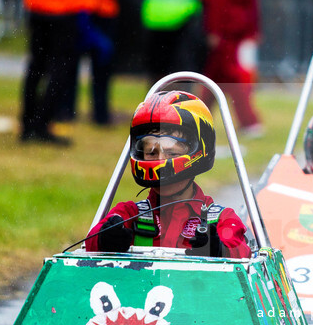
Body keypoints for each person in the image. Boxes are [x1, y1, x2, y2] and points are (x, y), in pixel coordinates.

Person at [86, 91, 251, 258]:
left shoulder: (220, 219)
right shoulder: (129, 213)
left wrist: (218, 249)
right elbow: (90, 243)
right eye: (151, 152)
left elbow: (241, 251)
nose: (160, 160)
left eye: (171, 152)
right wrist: (105, 239)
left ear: (200, 150)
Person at [19, 0, 92, 145]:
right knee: (60, 68)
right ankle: (42, 124)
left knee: (35, 66)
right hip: (62, 7)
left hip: (35, 3)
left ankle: (27, 123)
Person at [200, 0, 262, 136]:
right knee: (216, 77)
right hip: (234, 28)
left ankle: (248, 122)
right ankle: (201, 119)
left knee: (229, 77)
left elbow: (226, 0)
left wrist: (215, 29)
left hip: (229, 30)